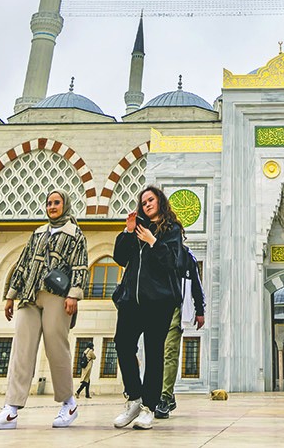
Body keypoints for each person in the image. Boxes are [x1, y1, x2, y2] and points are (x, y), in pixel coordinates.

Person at [0, 190, 89, 431]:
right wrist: (11, 295)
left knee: (56, 349)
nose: (52, 207)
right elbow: (23, 263)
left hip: (57, 297)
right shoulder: (38, 233)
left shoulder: (75, 234)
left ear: (66, 205)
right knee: (21, 350)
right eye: (49, 203)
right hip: (29, 296)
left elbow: (80, 265)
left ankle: (69, 403)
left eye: (57, 202)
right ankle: (11, 409)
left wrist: (74, 295)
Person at [110, 185, 186, 431]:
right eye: (143, 202)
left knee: (154, 354)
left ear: (160, 202)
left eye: (151, 200)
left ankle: (148, 408)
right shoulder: (137, 230)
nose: (147, 204)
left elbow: (174, 262)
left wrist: (154, 242)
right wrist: (128, 231)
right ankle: (134, 398)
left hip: (158, 303)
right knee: (122, 343)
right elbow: (120, 258)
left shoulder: (171, 230)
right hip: (131, 300)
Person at [156, 247, 204, 418]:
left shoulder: (185, 257)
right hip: (154, 309)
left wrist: (200, 310)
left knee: (170, 352)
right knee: (156, 353)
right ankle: (162, 391)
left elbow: (195, 284)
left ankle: (164, 397)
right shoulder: (153, 248)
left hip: (175, 308)